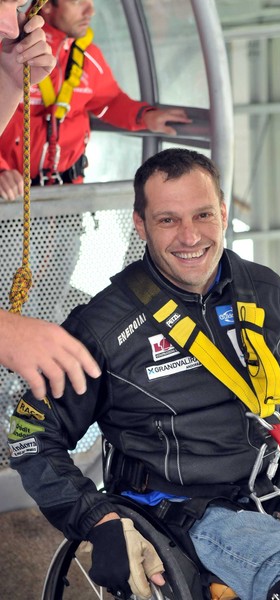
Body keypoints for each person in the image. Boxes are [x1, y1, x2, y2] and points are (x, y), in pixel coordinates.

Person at [9, 148, 280, 600]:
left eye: (203, 214)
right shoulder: (102, 327)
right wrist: (99, 519)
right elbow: (29, 433)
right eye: (168, 220)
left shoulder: (263, 288)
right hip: (184, 510)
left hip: (276, 484)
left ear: (224, 213)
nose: (190, 236)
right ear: (140, 225)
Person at [0, 0, 101, 398]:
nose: (14, 21)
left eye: (22, 5)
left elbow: (108, 98)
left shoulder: (82, 56)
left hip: (61, 204)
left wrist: (9, 81)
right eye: (5, 2)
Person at [0, 0, 191, 200]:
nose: (90, 10)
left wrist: (146, 116)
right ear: (46, 5)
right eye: (78, 2)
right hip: (11, 197)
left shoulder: (88, 57)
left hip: (67, 196)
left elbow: (109, 102)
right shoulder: (10, 50)